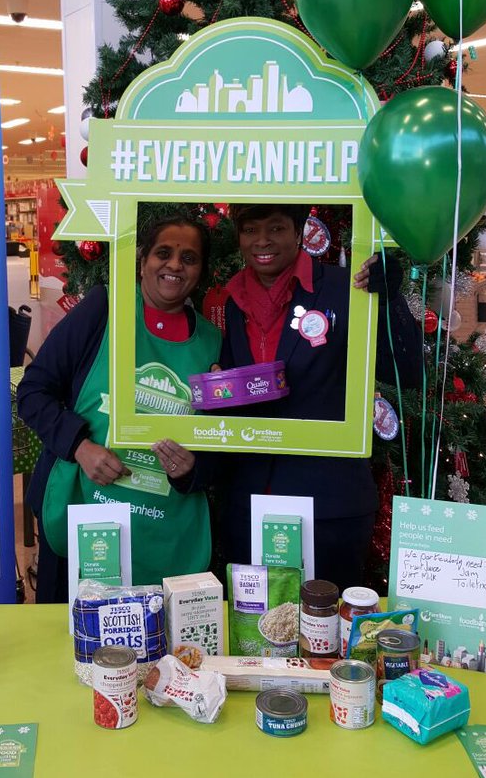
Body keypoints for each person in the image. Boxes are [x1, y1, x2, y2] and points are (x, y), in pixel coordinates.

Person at [180, 204, 422, 591]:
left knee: (325, 639)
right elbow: (229, 399)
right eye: (250, 229)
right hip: (249, 505)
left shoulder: (347, 289)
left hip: (329, 506)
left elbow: (407, 373)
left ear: (299, 233)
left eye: (276, 228)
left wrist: (391, 298)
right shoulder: (225, 302)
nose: (261, 240)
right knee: (252, 639)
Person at [17, 216, 222, 601]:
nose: (175, 265)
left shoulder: (212, 342)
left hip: (166, 529)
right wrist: (80, 446)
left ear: (201, 271)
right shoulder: (102, 309)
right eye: (164, 253)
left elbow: (223, 444)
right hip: (86, 513)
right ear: (142, 260)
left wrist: (193, 470)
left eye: (189, 258)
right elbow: (33, 392)